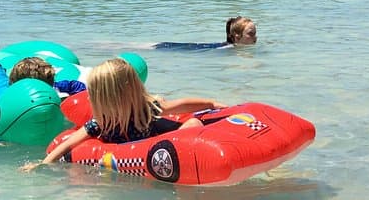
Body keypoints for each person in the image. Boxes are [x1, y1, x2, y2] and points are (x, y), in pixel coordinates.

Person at [21, 57, 225, 170]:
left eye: (95, 95)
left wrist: (211, 103)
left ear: (109, 98)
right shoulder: (101, 123)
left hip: (164, 138)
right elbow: (70, 142)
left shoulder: (145, 110)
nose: (90, 99)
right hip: (138, 156)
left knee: (193, 125)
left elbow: (181, 106)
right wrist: (43, 164)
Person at [154, 16, 257, 50]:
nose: (255, 38)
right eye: (251, 34)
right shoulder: (227, 49)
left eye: (255, 34)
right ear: (237, 36)